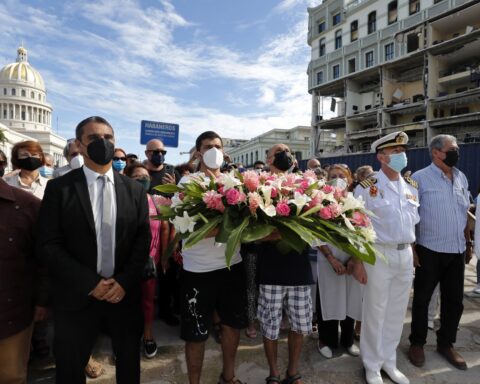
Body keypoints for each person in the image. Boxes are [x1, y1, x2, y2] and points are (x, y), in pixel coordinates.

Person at [37, 116, 150, 384]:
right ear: (79, 144)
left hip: (122, 296)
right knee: (69, 369)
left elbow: (142, 241)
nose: (103, 143)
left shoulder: (134, 190)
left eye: (108, 138)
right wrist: (91, 283)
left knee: (129, 368)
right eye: (94, 139)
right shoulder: (60, 188)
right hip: (76, 297)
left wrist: (122, 282)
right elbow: (48, 245)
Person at [178, 131, 247, 384]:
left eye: (218, 146)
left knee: (231, 326)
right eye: (208, 146)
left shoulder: (234, 183)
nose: (214, 150)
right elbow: (186, 227)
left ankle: (228, 377)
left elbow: (246, 222)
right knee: (195, 334)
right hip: (197, 271)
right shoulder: (188, 184)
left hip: (231, 266)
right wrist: (228, 229)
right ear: (198, 152)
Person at [355, 131, 419, 384]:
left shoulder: (412, 187)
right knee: (375, 311)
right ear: (381, 157)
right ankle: (371, 365)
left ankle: (389, 362)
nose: (402, 156)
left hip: (405, 254)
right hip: (378, 253)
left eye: (403, 151)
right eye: (396, 152)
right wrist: (358, 260)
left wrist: (413, 254)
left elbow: (413, 224)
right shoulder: (367, 187)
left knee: (396, 312)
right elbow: (357, 227)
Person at [408, 134, 471, 370]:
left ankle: (446, 343)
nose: (457, 152)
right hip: (430, 249)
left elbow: (464, 211)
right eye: (452, 149)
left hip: (456, 250)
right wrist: (413, 249)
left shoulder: (461, 177)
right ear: (436, 153)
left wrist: (468, 242)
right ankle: (417, 343)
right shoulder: (419, 179)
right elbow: (411, 217)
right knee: (422, 300)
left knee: (454, 301)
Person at [256, 143, 314, 384]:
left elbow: (314, 226)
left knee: (300, 325)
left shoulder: (305, 186)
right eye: (278, 152)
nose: (284, 155)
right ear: (268, 159)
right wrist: (284, 233)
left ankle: (292, 371)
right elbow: (252, 233)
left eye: (287, 151)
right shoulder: (258, 187)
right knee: (269, 325)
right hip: (270, 269)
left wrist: (292, 231)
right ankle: (274, 373)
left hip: (299, 269)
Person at [0, 155, 48, 383]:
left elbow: (43, 259)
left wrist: (42, 301)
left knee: (11, 376)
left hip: (12, 315)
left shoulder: (27, 205)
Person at [316, 164, 365, 359]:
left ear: (350, 179)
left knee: (350, 299)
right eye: (333, 176)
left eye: (341, 175)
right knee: (328, 299)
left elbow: (364, 232)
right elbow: (316, 233)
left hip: (351, 259)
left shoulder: (357, 202)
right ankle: (325, 340)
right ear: (327, 179)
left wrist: (354, 258)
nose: (338, 178)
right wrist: (331, 258)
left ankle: (347, 340)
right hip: (328, 259)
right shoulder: (320, 201)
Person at [124, 163, 170, 359]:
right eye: (137, 177)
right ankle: (126, 339)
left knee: (148, 301)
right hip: (125, 262)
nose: (143, 179)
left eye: (146, 177)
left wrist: (165, 256)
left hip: (150, 261)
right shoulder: (121, 201)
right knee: (126, 302)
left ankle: (148, 336)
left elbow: (165, 227)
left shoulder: (155, 201)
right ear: (127, 179)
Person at [145, 139, 181, 326]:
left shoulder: (171, 172)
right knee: (148, 272)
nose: (160, 155)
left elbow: (181, 199)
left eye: (163, 152)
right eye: (155, 151)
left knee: (168, 271)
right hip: (148, 232)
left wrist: (175, 188)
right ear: (147, 154)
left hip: (169, 231)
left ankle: (166, 309)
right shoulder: (143, 174)